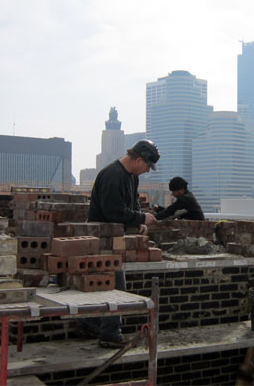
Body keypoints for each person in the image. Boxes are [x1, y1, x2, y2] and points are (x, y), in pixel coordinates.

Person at [78, 139, 160, 348]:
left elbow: (130, 205)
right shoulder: (112, 176)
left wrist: (137, 223)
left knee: (101, 282)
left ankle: (89, 324)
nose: (147, 171)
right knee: (115, 285)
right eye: (147, 166)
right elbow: (112, 212)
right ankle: (110, 334)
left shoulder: (131, 177)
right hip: (100, 236)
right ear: (138, 159)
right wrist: (141, 218)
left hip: (113, 236)